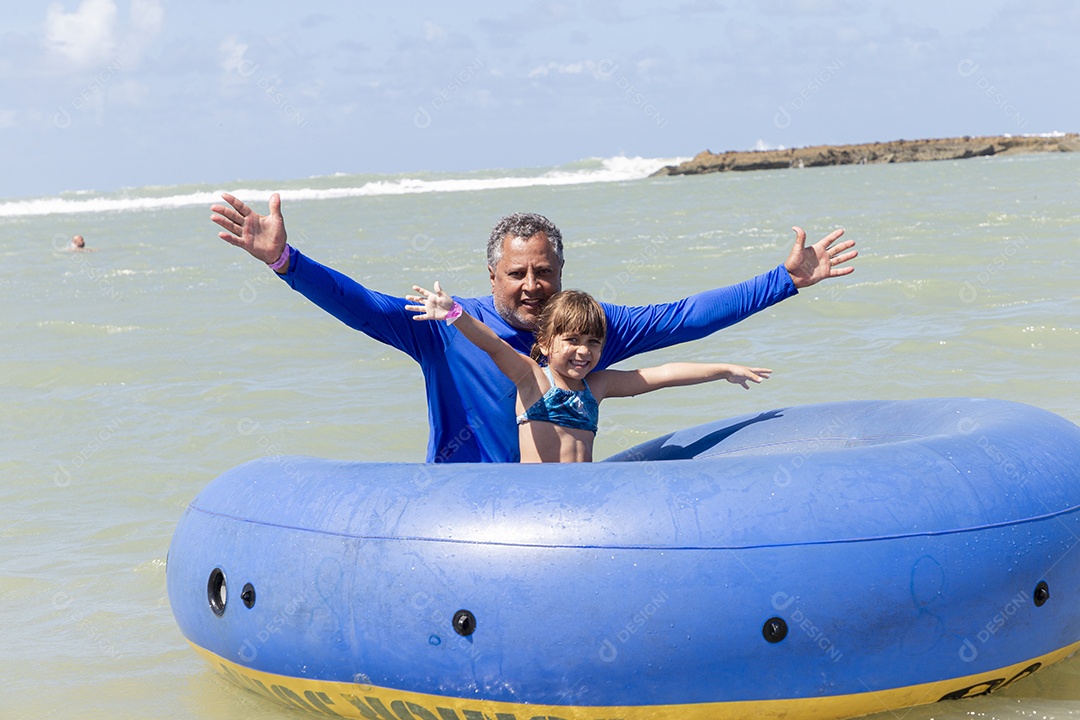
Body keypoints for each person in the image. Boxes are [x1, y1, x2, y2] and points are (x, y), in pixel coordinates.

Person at [211, 192, 856, 463]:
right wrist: (284, 262)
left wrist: (785, 280)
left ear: (561, 271)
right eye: (517, 273)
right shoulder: (446, 327)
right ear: (492, 277)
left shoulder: (586, 332)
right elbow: (366, 307)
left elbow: (687, 318)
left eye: (543, 271)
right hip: (463, 512)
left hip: (549, 514)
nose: (531, 286)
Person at [406, 282, 771, 462]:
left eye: (594, 342)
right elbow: (493, 345)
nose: (584, 351)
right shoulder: (532, 377)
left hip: (583, 496)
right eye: (572, 340)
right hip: (535, 498)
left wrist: (723, 369)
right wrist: (454, 315)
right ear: (546, 343)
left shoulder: (597, 386)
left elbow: (662, 375)